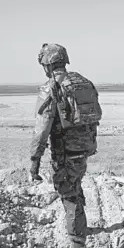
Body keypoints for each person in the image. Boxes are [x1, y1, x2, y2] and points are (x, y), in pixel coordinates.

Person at [30, 43, 102, 248]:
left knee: (67, 191)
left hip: (65, 151)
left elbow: (42, 130)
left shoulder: (51, 87)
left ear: (47, 65)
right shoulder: (83, 82)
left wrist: (34, 160)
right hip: (84, 148)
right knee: (75, 183)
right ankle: (80, 225)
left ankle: (77, 240)